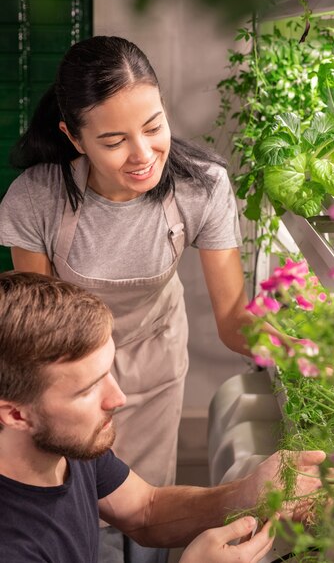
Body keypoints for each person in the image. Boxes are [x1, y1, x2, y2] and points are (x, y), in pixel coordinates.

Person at [0, 35, 280, 563]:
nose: (143, 154)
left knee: (146, 504)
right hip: (68, 372)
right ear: (73, 138)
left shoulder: (202, 188)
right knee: (87, 512)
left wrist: (303, 350)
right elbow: (36, 338)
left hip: (154, 356)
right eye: (114, 141)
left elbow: (233, 320)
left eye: (154, 127)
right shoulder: (37, 199)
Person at [0, 271, 326, 563]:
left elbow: (145, 510)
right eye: (87, 390)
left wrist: (249, 492)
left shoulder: (67, 445)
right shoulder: (13, 545)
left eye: (108, 371)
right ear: (14, 413)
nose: (118, 398)